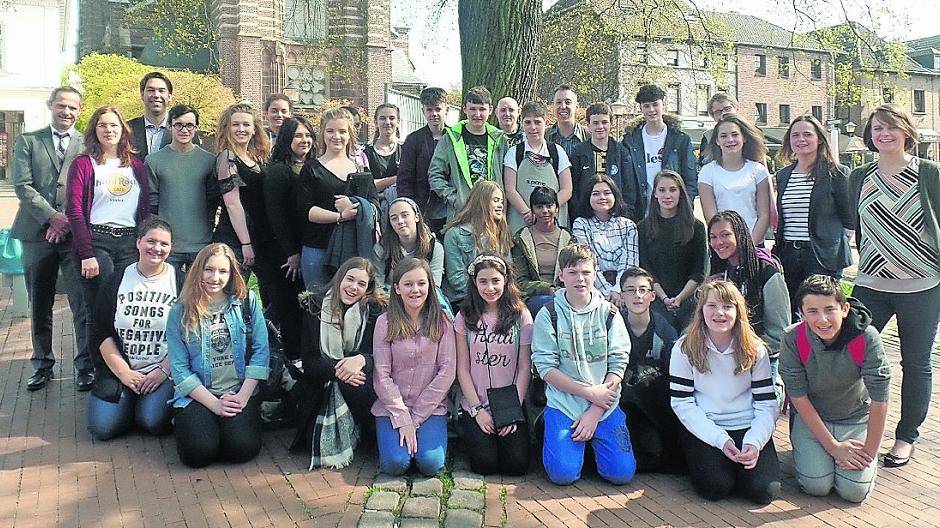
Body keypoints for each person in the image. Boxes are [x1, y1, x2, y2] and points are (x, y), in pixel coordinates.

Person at [850, 103, 940, 468]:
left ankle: (906, 437)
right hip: (870, 284)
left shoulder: (929, 173)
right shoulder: (859, 176)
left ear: (906, 131)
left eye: (891, 127)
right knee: (850, 352)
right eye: (877, 128)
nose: (884, 134)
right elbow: (854, 223)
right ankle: (850, 424)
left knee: (916, 364)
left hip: (922, 286)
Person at [531, 243, 636, 485]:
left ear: (595, 273)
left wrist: (595, 410)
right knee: (563, 475)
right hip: (565, 403)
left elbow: (619, 362)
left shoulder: (610, 313)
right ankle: (556, 435)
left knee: (621, 474)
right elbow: (545, 367)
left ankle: (592, 446)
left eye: (586, 272)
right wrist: (588, 392)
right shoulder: (549, 314)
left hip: (605, 404)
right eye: (572, 272)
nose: (580, 279)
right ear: (561, 275)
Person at [780, 275, 891, 503]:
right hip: (813, 419)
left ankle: (846, 469)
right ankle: (810, 454)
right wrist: (833, 447)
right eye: (812, 311)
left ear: (845, 308)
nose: (822, 320)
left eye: (829, 310)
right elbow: (798, 396)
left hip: (855, 418)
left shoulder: (866, 337)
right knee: (817, 486)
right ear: (802, 314)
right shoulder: (793, 338)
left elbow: (880, 399)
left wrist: (869, 454)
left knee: (854, 492)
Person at [669, 280, 781, 504]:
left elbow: (766, 403)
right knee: (715, 487)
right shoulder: (684, 348)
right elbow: (682, 403)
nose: (719, 313)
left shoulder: (755, 348)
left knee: (764, 492)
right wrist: (720, 440)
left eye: (727, 306)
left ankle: (739, 469)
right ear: (701, 310)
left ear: (738, 311)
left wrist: (755, 442)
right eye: (712, 305)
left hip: (747, 425)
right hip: (707, 425)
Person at [66, 105, 151, 393]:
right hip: (97, 241)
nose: (109, 130)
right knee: (99, 310)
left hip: (129, 243)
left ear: (122, 130)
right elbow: (75, 210)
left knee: (126, 307)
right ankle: (101, 373)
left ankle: (126, 367)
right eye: (102, 125)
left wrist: (143, 244)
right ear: (95, 130)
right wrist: (87, 253)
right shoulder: (83, 163)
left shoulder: (135, 165)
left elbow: (144, 208)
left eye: (114, 125)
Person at [12, 86, 90, 391]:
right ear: (51, 105)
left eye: (72, 107)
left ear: (80, 110)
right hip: (36, 234)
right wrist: (51, 217)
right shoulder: (29, 141)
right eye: (61, 105)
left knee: (80, 304)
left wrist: (67, 220)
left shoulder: (88, 143)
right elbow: (23, 185)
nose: (66, 112)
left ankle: (85, 366)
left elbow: (90, 188)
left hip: (75, 235)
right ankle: (42, 364)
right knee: (39, 303)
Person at [166, 243, 270, 468]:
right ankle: (195, 425)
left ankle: (226, 428)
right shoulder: (179, 311)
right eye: (209, 269)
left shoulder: (246, 302)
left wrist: (242, 397)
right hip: (199, 394)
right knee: (197, 454)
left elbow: (261, 352)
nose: (215, 277)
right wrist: (214, 405)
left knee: (242, 449)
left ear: (232, 274)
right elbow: (179, 368)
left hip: (238, 390)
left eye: (223, 271)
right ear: (198, 270)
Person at [86, 217, 178, 440]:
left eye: (164, 244)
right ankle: (127, 405)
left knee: (152, 421)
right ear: (138, 242)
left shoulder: (180, 282)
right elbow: (100, 331)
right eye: (151, 241)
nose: (157, 248)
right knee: (103, 428)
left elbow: (189, 333)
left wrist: (163, 371)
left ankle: (140, 407)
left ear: (171, 248)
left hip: (162, 370)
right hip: (122, 368)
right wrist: (124, 373)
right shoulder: (116, 280)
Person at [291, 257, 386, 468]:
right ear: (339, 278)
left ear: (368, 289)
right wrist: (341, 369)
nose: (353, 287)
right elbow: (309, 361)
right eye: (350, 279)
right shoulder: (314, 306)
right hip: (321, 383)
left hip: (360, 381)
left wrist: (361, 359)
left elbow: (379, 354)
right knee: (316, 437)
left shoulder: (373, 311)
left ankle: (364, 430)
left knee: (358, 383)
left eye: (361, 284)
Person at [372, 258, 456, 476]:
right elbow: (382, 374)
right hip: (392, 406)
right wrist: (402, 418)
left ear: (430, 286)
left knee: (431, 464)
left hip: (430, 407)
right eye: (408, 284)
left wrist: (415, 419)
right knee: (395, 464)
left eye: (421, 283)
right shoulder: (384, 322)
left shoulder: (443, 322)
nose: (415, 290)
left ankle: (427, 443)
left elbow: (446, 372)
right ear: (397, 288)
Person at [455, 254, 532, 476]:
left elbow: (524, 367)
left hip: (509, 401)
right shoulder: (465, 316)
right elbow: (463, 368)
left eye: (495, 281)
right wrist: (477, 410)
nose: (490, 288)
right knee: (485, 464)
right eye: (483, 281)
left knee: (516, 465)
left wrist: (511, 411)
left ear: (505, 280)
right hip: (476, 402)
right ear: (475, 283)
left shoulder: (521, 316)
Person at [774, 115, 854, 310]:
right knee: (795, 309)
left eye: (807, 134)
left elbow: (850, 219)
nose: (801, 139)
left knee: (823, 309)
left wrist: (833, 245)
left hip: (822, 256)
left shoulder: (837, 173)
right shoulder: (783, 175)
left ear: (819, 139)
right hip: (790, 254)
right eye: (795, 135)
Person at [297, 107, 377, 290]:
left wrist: (355, 204)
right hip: (318, 248)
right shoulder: (311, 168)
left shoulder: (360, 169)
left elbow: (374, 205)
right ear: (322, 134)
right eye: (330, 131)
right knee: (317, 301)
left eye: (342, 131)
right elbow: (306, 210)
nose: (336, 136)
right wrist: (340, 216)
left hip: (352, 249)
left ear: (350, 134)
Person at [708, 211, 790, 386]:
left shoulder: (766, 273)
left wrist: (742, 349)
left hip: (763, 359)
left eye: (725, 235)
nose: (718, 242)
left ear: (741, 235)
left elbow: (778, 335)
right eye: (713, 237)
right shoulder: (718, 274)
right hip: (723, 358)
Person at [617, 267, 681, 472]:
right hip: (621, 405)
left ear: (652, 296)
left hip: (654, 409)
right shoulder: (612, 326)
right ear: (621, 296)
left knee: (656, 455)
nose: (637, 295)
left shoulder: (665, 331)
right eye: (630, 290)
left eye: (643, 290)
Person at [263, 116, 316, 360]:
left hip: (311, 248)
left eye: (307, 135)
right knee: (290, 307)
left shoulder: (314, 167)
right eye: (298, 136)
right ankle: (291, 359)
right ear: (287, 139)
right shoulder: (278, 172)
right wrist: (291, 253)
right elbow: (277, 216)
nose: (304, 140)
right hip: (287, 254)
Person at [146, 104, 216, 283]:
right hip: (168, 245)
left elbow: (213, 200)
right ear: (169, 126)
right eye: (179, 125)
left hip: (201, 243)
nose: (184, 130)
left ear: (196, 128)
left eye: (189, 125)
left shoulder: (209, 161)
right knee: (167, 293)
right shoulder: (154, 161)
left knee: (199, 294)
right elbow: (151, 204)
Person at [638, 170, 706, 330]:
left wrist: (679, 298)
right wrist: (664, 298)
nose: (667, 195)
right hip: (655, 297)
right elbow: (646, 270)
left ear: (681, 193)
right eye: (662, 190)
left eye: (673, 190)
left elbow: (698, 272)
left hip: (688, 297)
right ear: (654, 194)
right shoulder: (643, 228)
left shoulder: (696, 227)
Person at [428, 85, 508, 220]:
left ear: (490, 110)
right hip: (461, 213)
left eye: (482, 109)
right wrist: (455, 198)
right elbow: (435, 174)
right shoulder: (451, 138)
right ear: (464, 109)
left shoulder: (500, 140)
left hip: (492, 213)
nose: (477, 114)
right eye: (473, 109)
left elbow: (508, 178)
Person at [621, 84, 698, 213]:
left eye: (655, 104)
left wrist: (686, 206)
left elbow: (690, 179)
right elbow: (626, 180)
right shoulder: (630, 141)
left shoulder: (680, 140)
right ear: (641, 108)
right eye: (646, 106)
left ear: (663, 104)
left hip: (674, 211)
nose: (651, 110)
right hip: (641, 211)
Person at [698, 113, 772, 244]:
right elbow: (711, 217)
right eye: (723, 136)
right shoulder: (707, 172)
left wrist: (749, 246)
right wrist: (727, 242)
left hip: (754, 243)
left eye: (735, 134)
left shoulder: (759, 171)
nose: (730, 139)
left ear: (744, 137)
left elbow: (764, 215)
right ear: (717, 141)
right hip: (722, 245)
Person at [503, 100, 572, 232]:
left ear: (546, 122)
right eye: (528, 122)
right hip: (521, 222)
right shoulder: (514, 153)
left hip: (552, 223)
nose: (533, 127)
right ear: (522, 123)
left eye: (537, 122)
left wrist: (547, 210)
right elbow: (510, 189)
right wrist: (528, 212)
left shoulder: (557, 152)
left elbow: (567, 189)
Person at [441, 181, 512, 306]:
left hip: (497, 297)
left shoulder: (501, 233)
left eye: (501, 201)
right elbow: (456, 279)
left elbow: (508, 270)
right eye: (496, 200)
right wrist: (484, 292)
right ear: (482, 202)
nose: (500, 205)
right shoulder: (454, 234)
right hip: (464, 300)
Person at [571, 175, 638, 305]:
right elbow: (587, 263)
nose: (602, 197)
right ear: (588, 197)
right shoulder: (581, 224)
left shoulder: (628, 226)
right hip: (593, 288)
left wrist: (618, 291)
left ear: (615, 196)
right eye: (596, 194)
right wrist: (606, 292)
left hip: (625, 289)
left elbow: (630, 263)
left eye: (607, 193)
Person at [569, 102, 639, 222]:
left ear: (611, 123)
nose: (600, 127)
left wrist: (624, 214)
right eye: (595, 123)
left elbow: (629, 189)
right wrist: (578, 213)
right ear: (588, 125)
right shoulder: (578, 152)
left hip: (616, 217)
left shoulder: (622, 152)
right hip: (585, 217)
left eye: (604, 122)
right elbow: (573, 187)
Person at [511, 187, 574, 317]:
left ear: (557, 208)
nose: (545, 211)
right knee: (549, 304)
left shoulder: (568, 238)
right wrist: (547, 288)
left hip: (566, 294)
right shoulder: (521, 238)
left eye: (549, 206)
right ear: (532, 210)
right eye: (539, 207)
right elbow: (520, 281)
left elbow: (574, 272)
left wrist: (561, 291)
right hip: (534, 297)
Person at [398, 87, 450, 235]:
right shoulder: (414, 140)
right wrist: (408, 207)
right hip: (422, 205)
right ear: (423, 111)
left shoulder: (455, 138)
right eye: (429, 109)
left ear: (446, 110)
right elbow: (405, 177)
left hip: (450, 205)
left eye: (438, 109)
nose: (434, 114)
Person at [373, 197, 444, 293]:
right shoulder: (382, 247)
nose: (400, 221)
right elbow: (378, 286)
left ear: (417, 217)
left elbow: (434, 286)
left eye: (405, 215)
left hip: (422, 297)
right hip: (390, 297)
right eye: (394, 218)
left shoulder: (434, 247)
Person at [127, 72, 174, 159]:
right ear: (142, 95)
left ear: (169, 96)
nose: (156, 95)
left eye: (161, 91)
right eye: (151, 90)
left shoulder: (182, 130)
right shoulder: (127, 129)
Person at [364, 103, 402, 195]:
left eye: (392, 118)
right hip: (372, 201)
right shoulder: (365, 152)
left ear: (398, 122)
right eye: (382, 118)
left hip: (401, 199)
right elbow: (366, 186)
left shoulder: (407, 149)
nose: (387, 122)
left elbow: (411, 181)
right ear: (376, 123)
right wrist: (397, 178)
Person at [545, 85, 588, 157]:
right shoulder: (544, 136)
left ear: (577, 107)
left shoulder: (589, 137)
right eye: (558, 102)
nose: (563, 106)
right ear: (553, 106)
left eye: (568, 102)